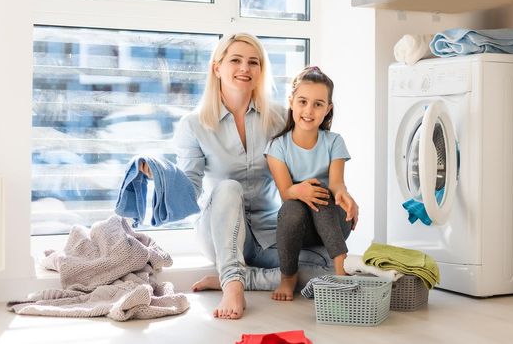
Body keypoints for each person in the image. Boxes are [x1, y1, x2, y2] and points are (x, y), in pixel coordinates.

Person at [139, 33, 358, 320]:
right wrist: (162, 176)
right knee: (229, 187)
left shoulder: (280, 117)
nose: (245, 68)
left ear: (261, 70)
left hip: (270, 235)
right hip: (223, 235)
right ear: (217, 67)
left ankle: (244, 278)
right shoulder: (193, 124)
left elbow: (309, 163)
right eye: (236, 60)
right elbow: (191, 189)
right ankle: (232, 284)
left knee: (334, 266)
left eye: (253, 62)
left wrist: (340, 194)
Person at [264, 66, 357, 301]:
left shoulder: (334, 142)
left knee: (322, 194)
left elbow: (337, 184)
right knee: (293, 205)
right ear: (292, 102)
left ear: (328, 109)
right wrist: (299, 190)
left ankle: (339, 268)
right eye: (303, 101)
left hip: (333, 223)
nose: (309, 110)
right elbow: (286, 193)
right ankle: (288, 277)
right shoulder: (278, 147)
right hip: (298, 228)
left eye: (318, 104)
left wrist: (345, 197)